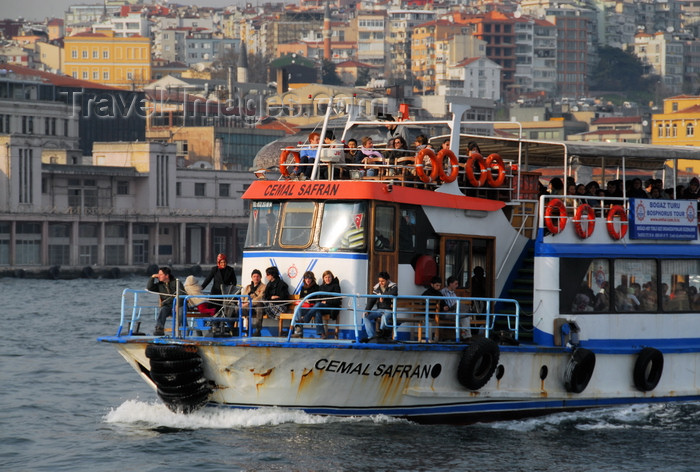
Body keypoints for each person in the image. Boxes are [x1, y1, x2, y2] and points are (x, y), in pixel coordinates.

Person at [147, 266, 185, 336]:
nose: (159, 276)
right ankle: (159, 328)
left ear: (167, 276)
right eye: (158, 274)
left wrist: (178, 304)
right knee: (163, 310)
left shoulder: (176, 282)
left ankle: (182, 331)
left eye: (161, 275)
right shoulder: (160, 285)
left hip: (179, 305)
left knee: (181, 312)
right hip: (167, 305)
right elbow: (150, 288)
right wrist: (152, 277)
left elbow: (182, 294)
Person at [362, 271, 398, 340]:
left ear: (387, 280)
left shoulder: (393, 286)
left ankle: (381, 336)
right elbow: (372, 300)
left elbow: (394, 292)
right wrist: (367, 310)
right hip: (379, 310)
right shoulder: (377, 288)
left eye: (383, 281)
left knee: (385, 316)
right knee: (365, 316)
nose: (381, 283)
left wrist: (383, 296)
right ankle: (371, 337)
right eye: (379, 281)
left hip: (389, 310)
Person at [441, 275, 471, 340]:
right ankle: (466, 336)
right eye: (456, 284)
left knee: (466, 316)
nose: (457, 286)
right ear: (450, 284)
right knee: (465, 315)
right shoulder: (444, 292)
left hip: (454, 311)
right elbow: (451, 305)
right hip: (448, 312)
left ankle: (465, 335)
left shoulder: (453, 293)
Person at [292, 271, 320, 338]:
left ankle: (301, 326)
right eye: (306, 278)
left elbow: (318, 299)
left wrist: (309, 301)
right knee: (296, 308)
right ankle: (298, 331)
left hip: (312, 309)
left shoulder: (316, 287)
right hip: (305, 307)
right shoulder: (303, 288)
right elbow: (300, 298)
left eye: (310, 278)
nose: (308, 280)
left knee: (299, 311)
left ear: (313, 279)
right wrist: (303, 300)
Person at [240, 269, 266, 336]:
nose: (256, 278)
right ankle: (234, 330)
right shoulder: (248, 287)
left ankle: (258, 330)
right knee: (234, 310)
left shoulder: (264, 287)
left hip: (256, 307)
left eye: (258, 276)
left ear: (260, 277)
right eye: (254, 276)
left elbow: (260, 297)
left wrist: (248, 303)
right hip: (246, 307)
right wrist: (242, 303)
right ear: (252, 277)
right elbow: (242, 297)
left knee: (260, 307)